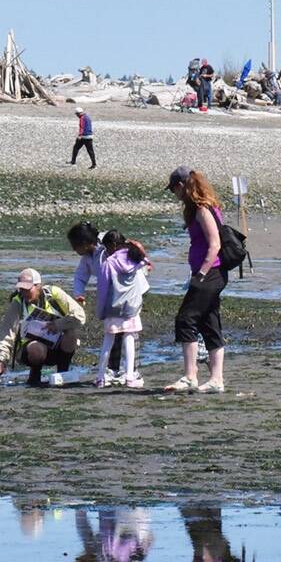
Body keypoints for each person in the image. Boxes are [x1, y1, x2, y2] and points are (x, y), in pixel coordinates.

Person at [164, 167, 231, 394]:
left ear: (182, 186)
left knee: (185, 319)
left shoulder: (203, 210)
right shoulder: (202, 209)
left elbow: (215, 245)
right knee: (209, 323)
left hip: (210, 274)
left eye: (174, 189)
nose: (175, 194)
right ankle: (216, 380)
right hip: (212, 274)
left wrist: (200, 274)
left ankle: (191, 375)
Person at [0, 268, 86, 387]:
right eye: (21, 289)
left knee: (71, 333)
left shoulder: (54, 293)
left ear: (38, 286)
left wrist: (58, 324)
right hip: (31, 351)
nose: (24, 293)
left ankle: (63, 372)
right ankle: (34, 375)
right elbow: (7, 332)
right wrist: (1, 361)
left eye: (28, 289)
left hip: (57, 347)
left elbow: (80, 316)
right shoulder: (18, 302)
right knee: (37, 348)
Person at [92, 233, 150, 388]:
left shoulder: (108, 263)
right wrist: (133, 245)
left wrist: (100, 310)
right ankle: (130, 378)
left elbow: (103, 290)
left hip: (113, 307)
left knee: (108, 341)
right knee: (129, 339)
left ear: (112, 246)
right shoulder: (133, 258)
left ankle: (100, 378)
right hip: (131, 307)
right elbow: (146, 261)